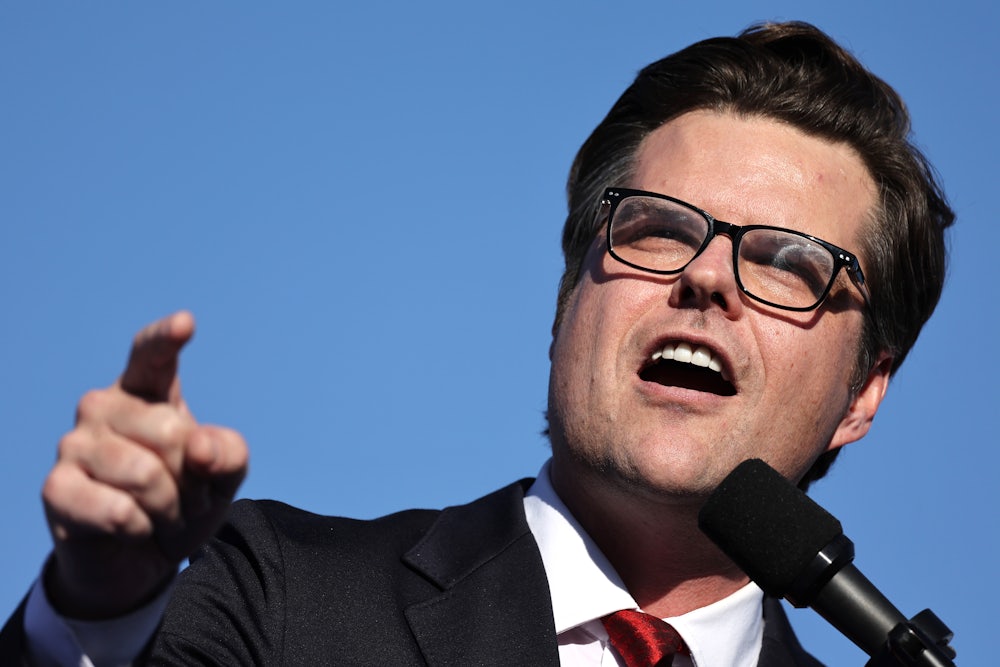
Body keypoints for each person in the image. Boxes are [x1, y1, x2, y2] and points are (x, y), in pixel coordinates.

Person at [0, 20, 952, 666]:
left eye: (788, 262)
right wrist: (98, 607)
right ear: (565, 299)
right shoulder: (283, 598)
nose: (703, 276)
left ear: (866, 392)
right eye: (657, 228)